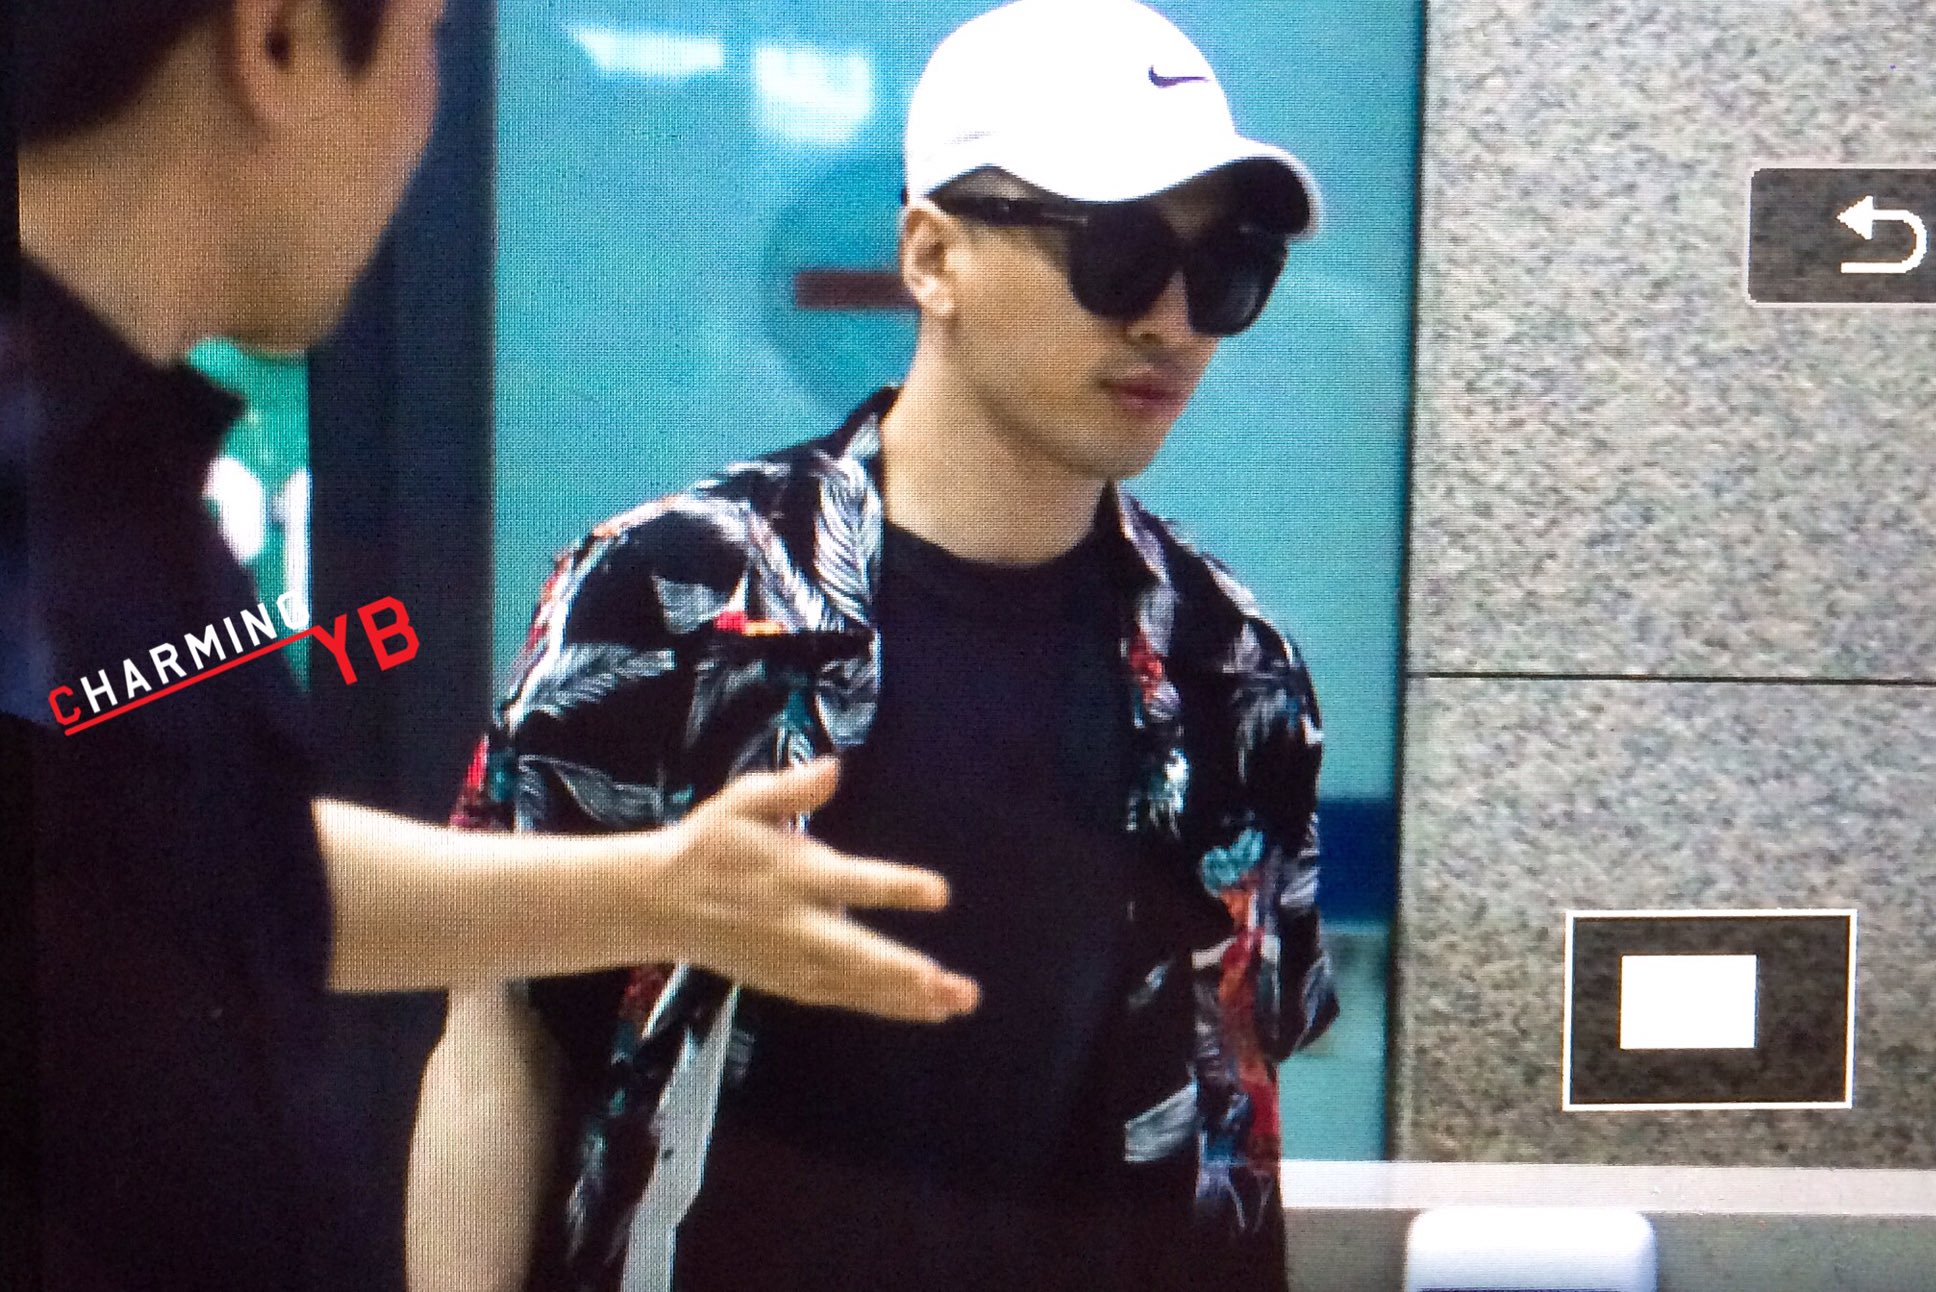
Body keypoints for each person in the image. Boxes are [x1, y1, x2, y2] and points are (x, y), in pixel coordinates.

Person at [2, 3, 978, 1289]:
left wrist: (656, 888)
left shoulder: (121, 481)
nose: (428, 116)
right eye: (427, 41)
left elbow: (193, 853)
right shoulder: (53, 502)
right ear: (279, 42)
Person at [410, 1, 1340, 1289]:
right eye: (1120, 255)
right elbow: (503, 1032)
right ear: (931, 257)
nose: (1173, 322)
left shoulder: (1231, 666)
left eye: (1227, 269)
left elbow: (1238, 1105)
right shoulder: (675, 599)